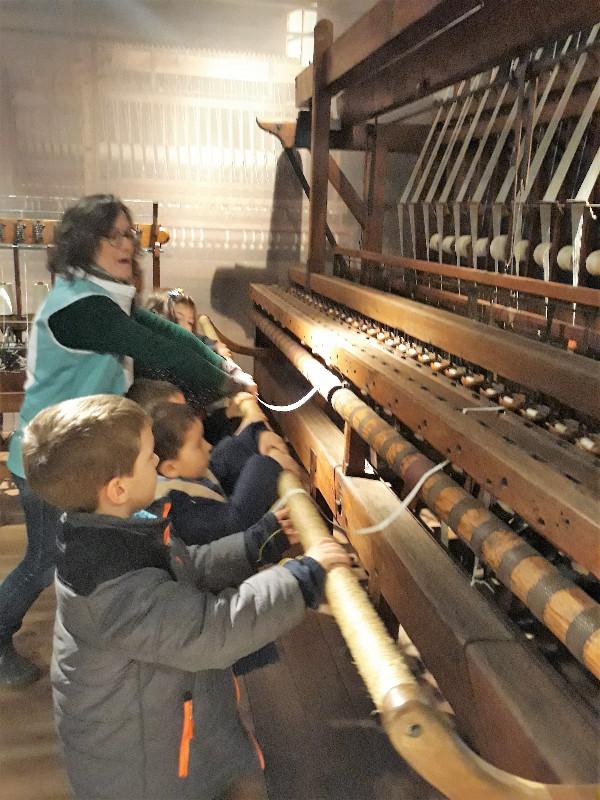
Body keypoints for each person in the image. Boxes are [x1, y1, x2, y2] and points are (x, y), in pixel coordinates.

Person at [21, 394, 349, 800]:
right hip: (139, 778)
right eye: (148, 458)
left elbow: (184, 567)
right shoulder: (112, 586)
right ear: (118, 489)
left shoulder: (116, 532)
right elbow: (213, 631)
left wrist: (256, 542)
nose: (158, 462)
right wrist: (301, 578)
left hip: (159, 742)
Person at [0, 194, 249, 687]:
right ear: (83, 242)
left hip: (79, 450)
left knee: (82, 544)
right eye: (111, 235)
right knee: (44, 559)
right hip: (46, 458)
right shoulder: (82, 307)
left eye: (128, 234)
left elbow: (165, 331)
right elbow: (155, 348)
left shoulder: (103, 295)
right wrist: (226, 385)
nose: (125, 245)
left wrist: (223, 365)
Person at [149, 401, 299, 544]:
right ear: (171, 468)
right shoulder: (180, 511)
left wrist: (255, 436)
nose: (208, 446)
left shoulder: (186, 474)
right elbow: (235, 523)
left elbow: (218, 463)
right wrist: (268, 465)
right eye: (198, 445)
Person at [144, 288, 258, 442]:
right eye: (177, 319)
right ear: (157, 320)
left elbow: (199, 341)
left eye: (190, 322)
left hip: (195, 424)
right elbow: (198, 393)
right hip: (174, 437)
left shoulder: (183, 343)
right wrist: (236, 387)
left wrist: (215, 347)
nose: (185, 328)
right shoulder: (156, 364)